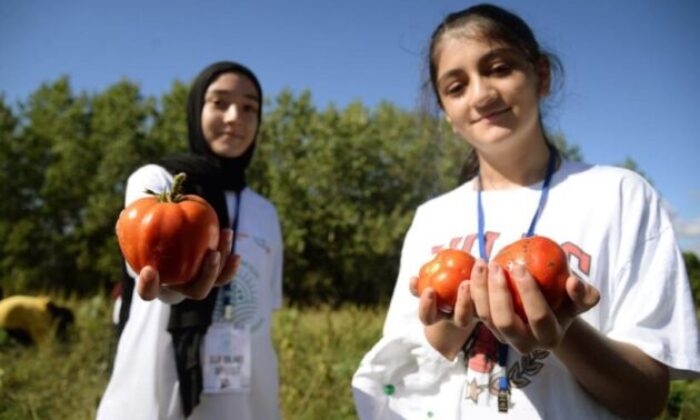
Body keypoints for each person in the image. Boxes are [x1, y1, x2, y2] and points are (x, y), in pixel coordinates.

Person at [352, 4, 699, 419]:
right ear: (446, 112)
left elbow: (645, 399)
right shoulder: (432, 217)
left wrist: (564, 333)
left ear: (542, 76)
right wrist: (452, 322)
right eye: (456, 87)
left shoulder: (620, 195)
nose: (481, 94)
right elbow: (409, 367)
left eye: (499, 68)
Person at [97, 61, 284, 420]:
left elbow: (265, 309)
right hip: (158, 380)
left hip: (242, 390)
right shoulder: (158, 181)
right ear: (197, 107)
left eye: (249, 108)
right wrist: (172, 285)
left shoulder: (266, 213)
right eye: (219, 102)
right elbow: (144, 244)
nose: (234, 117)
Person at [0, 295, 74, 345]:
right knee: (30, 346)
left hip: (3, 308)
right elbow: (43, 345)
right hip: (5, 320)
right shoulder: (39, 316)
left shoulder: (40, 304)